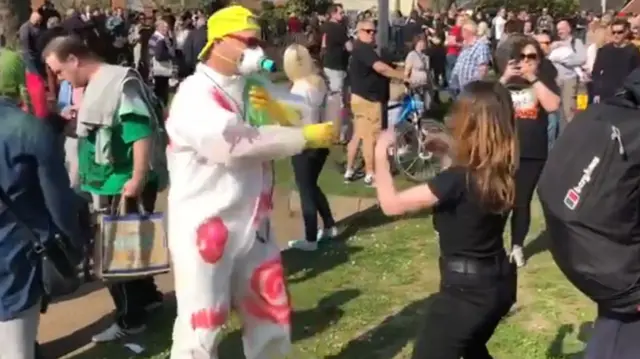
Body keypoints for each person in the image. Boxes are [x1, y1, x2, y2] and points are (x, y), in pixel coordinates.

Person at [164, 6, 335, 358]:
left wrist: (286, 112)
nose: (256, 50)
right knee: (203, 325)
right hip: (206, 229)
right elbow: (235, 144)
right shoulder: (194, 96)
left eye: (259, 41)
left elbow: (301, 108)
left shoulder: (252, 86)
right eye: (248, 41)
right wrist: (301, 138)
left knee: (270, 316)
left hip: (255, 226)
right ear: (218, 42)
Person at [373, 80, 518, 359]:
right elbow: (467, 187)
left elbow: (391, 205)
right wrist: (445, 152)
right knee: (470, 348)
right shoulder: (502, 170)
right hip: (498, 284)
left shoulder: (457, 180)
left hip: (465, 293)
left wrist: (380, 154)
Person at [42, 35, 166, 342]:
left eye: (59, 71)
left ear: (74, 59)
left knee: (112, 256)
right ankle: (148, 299)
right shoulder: (99, 85)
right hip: (109, 180)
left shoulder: (118, 83)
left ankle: (130, 319)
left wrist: (136, 177)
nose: (59, 78)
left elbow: (140, 128)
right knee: (132, 247)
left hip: (120, 183)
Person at [0, 48, 82, 359]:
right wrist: (72, 243)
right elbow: (58, 200)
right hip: (17, 251)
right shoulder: (31, 129)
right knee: (15, 345)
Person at [500, 35, 560, 267]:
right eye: (521, 56)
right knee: (500, 201)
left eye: (531, 57)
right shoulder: (505, 80)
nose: (525, 61)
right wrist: (506, 77)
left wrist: (532, 78)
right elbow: (485, 101)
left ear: (539, 59)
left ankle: (517, 246)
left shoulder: (544, 79)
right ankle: (493, 246)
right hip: (504, 150)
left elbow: (553, 105)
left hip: (532, 152)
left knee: (521, 201)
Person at [284, 44, 338, 252]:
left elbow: (297, 120)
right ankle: (330, 225)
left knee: (305, 188)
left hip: (305, 142)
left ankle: (310, 238)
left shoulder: (298, 89)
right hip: (322, 140)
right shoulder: (318, 83)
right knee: (311, 185)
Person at [343, 19, 405, 186]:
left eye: (374, 31)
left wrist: (396, 68)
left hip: (359, 98)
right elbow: (380, 68)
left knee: (360, 136)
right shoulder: (363, 49)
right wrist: (402, 76)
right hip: (368, 100)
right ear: (359, 32)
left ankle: (350, 170)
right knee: (372, 138)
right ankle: (371, 174)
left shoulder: (360, 49)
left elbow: (382, 66)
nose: (372, 34)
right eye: (368, 31)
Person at [591, 19, 640, 103]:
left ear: (626, 32)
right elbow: (596, 72)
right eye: (613, 32)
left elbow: (636, 75)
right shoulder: (604, 50)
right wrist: (597, 92)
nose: (616, 35)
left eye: (619, 32)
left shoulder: (633, 51)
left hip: (624, 96)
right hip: (605, 95)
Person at [321, 3, 351, 141]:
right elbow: (349, 47)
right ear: (333, 14)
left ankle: (332, 130)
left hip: (327, 65)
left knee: (331, 99)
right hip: (337, 66)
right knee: (339, 102)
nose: (343, 14)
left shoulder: (324, 27)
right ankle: (339, 133)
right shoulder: (337, 29)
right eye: (340, 12)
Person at [549, 20, 586, 128]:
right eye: (558, 29)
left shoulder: (576, 42)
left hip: (570, 80)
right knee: (556, 111)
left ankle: (572, 134)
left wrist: (564, 60)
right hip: (555, 80)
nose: (559, 31)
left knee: (569, 109)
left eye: (562, 29)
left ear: (569, 29)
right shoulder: (555, 43)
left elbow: (582, 59)